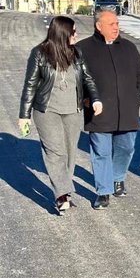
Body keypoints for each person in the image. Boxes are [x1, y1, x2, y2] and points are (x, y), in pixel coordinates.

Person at [18, 16, 103, 214]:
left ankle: (63, 190)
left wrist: (96, 99)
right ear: (64, 33)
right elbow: (30, 85)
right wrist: (24, 115)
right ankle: (62, 195)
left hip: (73, 110)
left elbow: (88, 78)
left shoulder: (77, 53)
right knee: (55, 152)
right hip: (47, 110)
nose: (77, 34)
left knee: (69, 152)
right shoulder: (39, 53)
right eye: (74, 31)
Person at [78, 10, 140, 209]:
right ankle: (103, 191)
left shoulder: (128, 47)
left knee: (126, 148)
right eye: (111, 24)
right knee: (101, 152)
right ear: (98, 26)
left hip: (127, 110)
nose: (116, 27)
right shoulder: (83, 48)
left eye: (117, 23)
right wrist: (84, 99)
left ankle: (118, 178)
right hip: (99, 112)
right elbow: (77, 81)